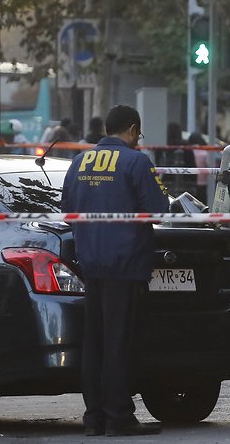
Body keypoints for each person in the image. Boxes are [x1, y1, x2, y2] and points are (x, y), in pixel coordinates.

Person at [61, 105, 167, 437]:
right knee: (120, 343)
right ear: (133, 130)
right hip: (126, 264)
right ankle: (118, 415)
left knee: (95, 343)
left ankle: (94, 417)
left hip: (91, 264)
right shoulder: (137, 162)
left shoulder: (80, 161)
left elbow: (68, 210)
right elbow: (159, 210)